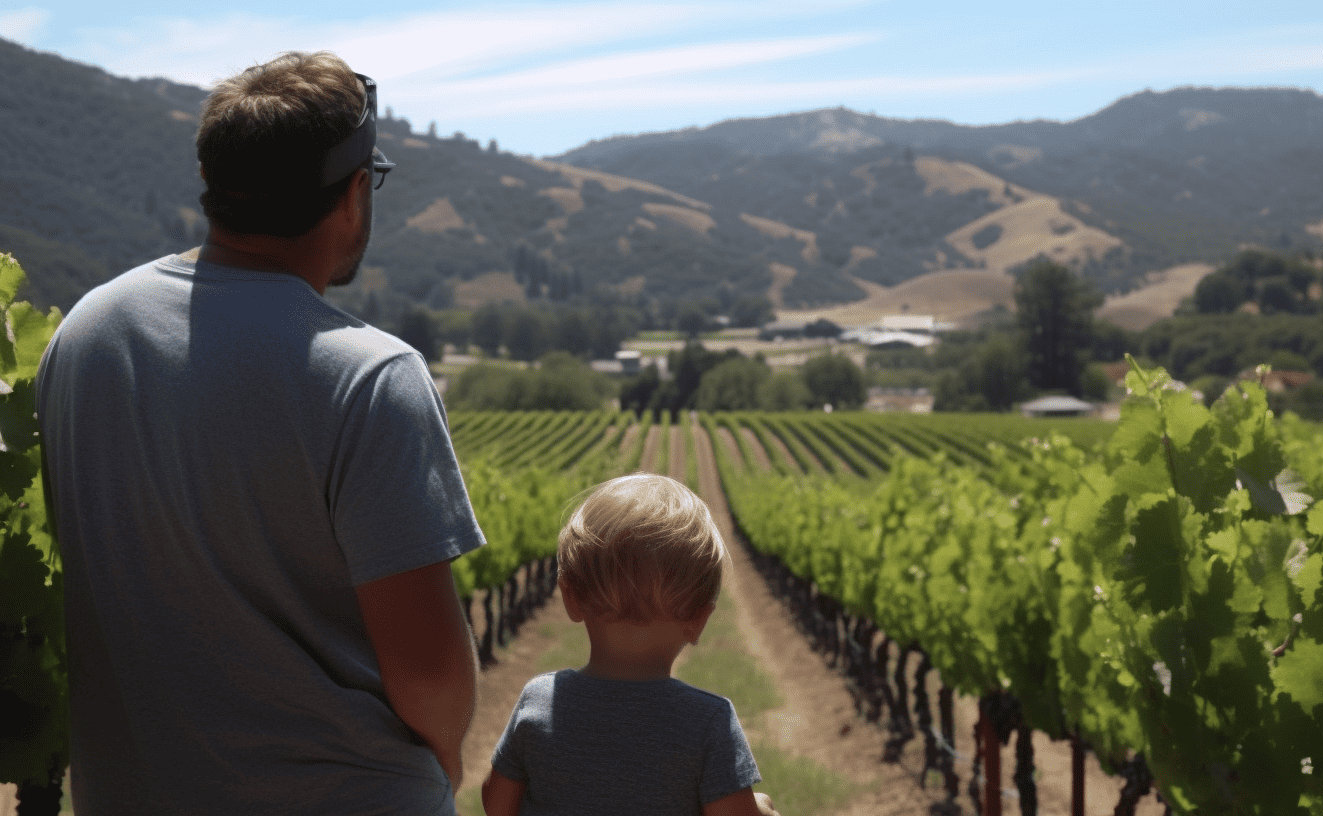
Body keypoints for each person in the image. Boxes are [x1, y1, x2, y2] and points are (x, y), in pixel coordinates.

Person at [35, 51, 484, 816]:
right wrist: (445, 755)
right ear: (351, 194)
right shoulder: (369, 375)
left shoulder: (86, 333)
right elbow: (432, 677)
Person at [481, 473, 779, 816]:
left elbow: (497, 803)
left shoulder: (539, 702)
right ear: (699, 620)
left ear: (570, 598)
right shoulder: (708, 723)